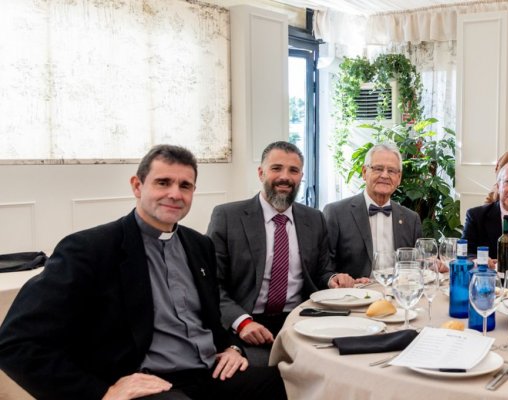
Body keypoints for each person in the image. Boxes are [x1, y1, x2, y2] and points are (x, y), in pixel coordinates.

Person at [0, 145, 286, 400]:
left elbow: (210, 319)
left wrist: (232, 348)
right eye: (163, 182)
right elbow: (14, 344)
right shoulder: (89, 249)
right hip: (148, 381)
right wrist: (100, 393)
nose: (175, 194)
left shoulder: (200, 245)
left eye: (185, 185)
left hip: (209, 373)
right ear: (137, 186)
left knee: (288, 385)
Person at [207, 141, 361, 366]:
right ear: (261, 173)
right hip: (247, 322)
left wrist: (333, 279)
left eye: (293, 171)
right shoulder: (228, 217)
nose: (285, 177)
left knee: (344, 360)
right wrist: (242, 322)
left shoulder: (314, 219)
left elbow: (322, 271)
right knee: (266, 373)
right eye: (276, 168)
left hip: (302, 318)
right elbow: (212, 284)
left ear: (301, 177)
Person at [323, 143, 423, 279]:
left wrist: (433, 264)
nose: (385, 175)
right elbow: (323, 268)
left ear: (399, 178)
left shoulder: (411, 219)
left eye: (391, 171)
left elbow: (419, 265)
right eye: (378, 169)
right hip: (354, 291)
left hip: (398, 290)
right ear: (364, 172)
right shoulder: (336, 213)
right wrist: (337, 279)